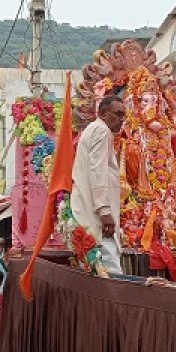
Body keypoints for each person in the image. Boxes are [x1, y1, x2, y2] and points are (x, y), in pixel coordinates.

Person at [70, 95, 126, 274]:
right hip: (98, 220)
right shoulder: (102, 131)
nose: (121, 120)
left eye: (123, 115)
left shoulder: (92, 130)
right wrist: (104, 211)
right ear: (102, 113)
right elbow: (98, 172)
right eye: (117, 114)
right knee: (111, 274)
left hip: (87, 213)